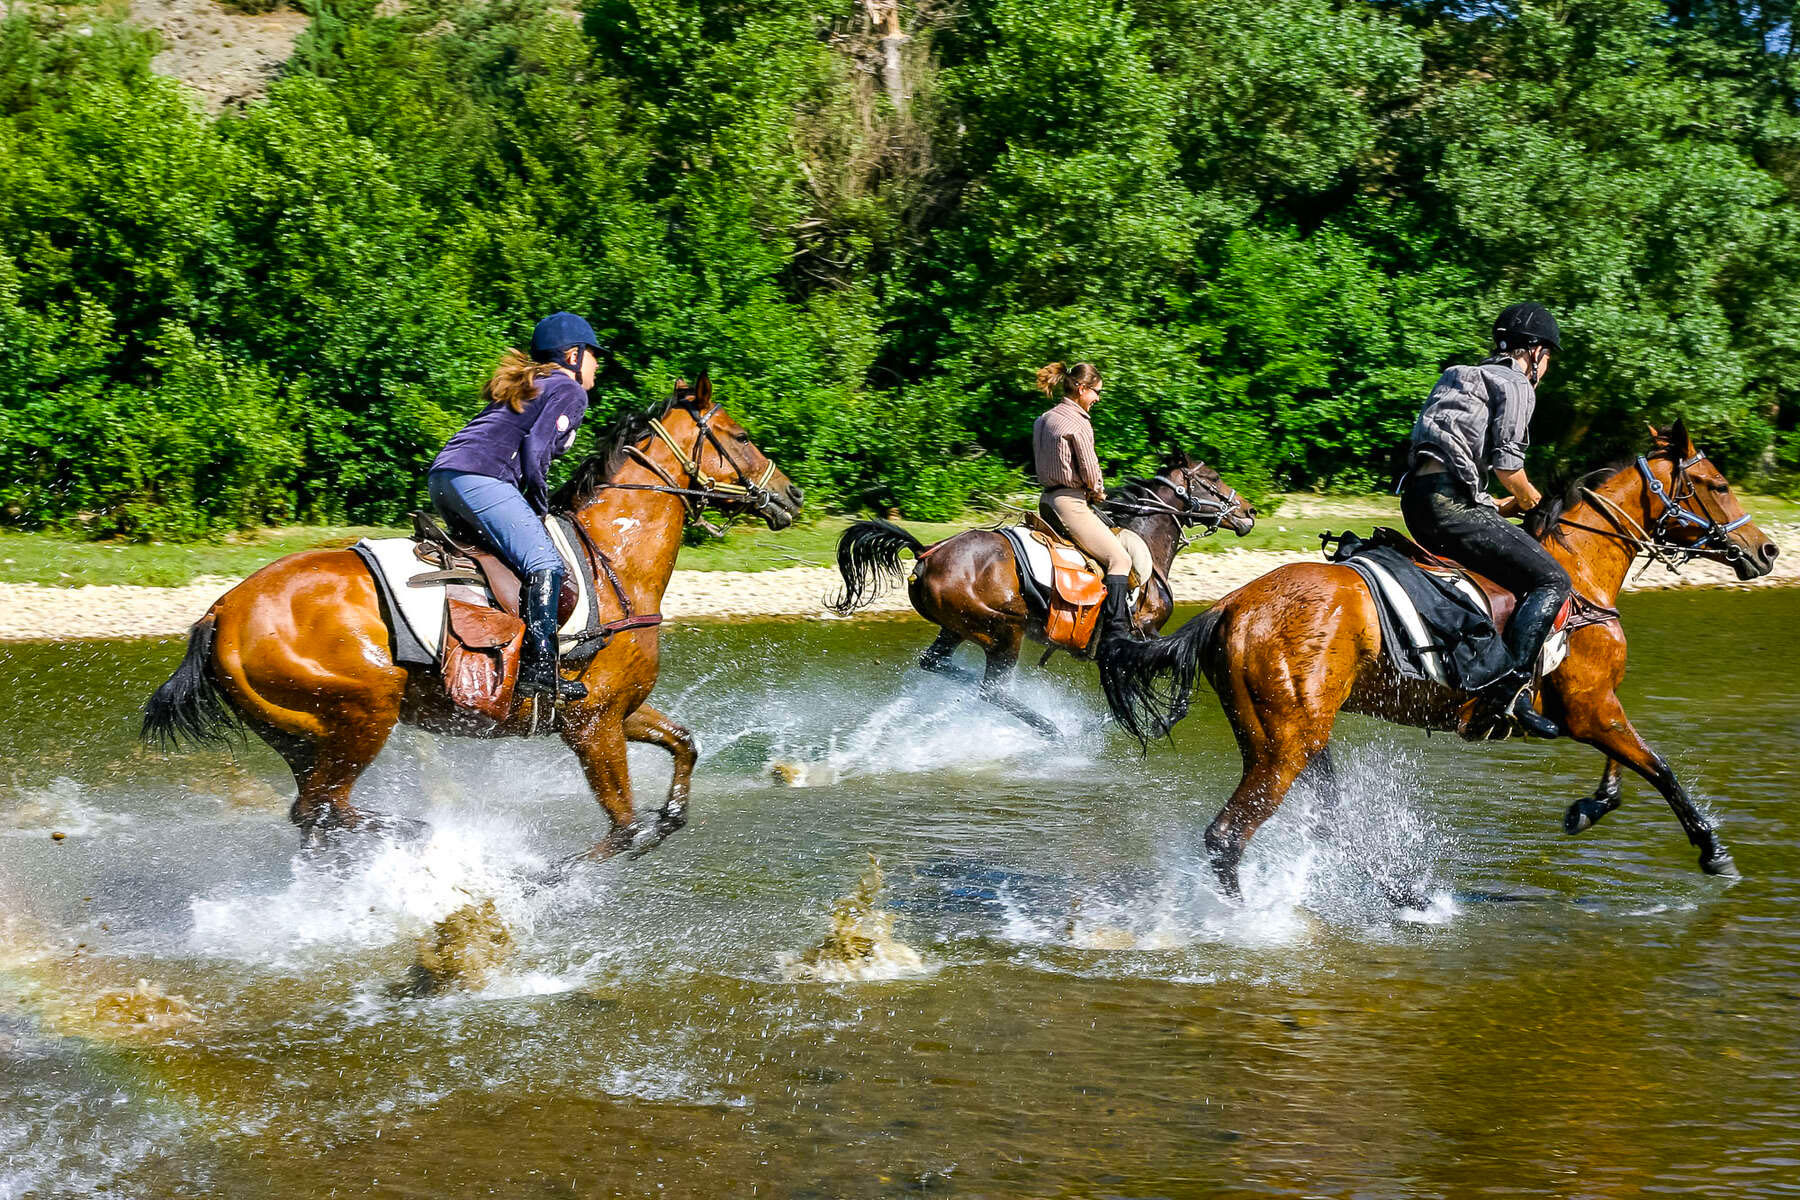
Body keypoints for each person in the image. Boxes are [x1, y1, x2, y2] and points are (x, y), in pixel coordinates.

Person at [1401, 302, 1572, 739]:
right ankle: (1507, 694)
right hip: (1449, 507)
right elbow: (1508, 468)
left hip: (1418, 503)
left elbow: (1450, 466)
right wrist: (1533, 502)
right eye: (1548, 356)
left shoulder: (1459, 374)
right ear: (1533, 352)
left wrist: (1496, 506)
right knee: (1552, 580)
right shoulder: (1516, 384)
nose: (1546, 366)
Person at [427, 312, 601, 704]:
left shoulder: (536, 382)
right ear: (573, 355)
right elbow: (536, 449)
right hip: (482, 477)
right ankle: (540, 669)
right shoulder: (571, 390)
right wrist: (539, 507)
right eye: (593, 355)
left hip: (445, 476)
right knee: (545, 561)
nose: (597, 365)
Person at [1032, 361, 1140, 647]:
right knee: (1121, 559)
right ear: (1081, 389)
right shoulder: (1077, 422)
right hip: (1071, 504)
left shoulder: (1044, 418)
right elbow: (1091, 472)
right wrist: (1098, 492)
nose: (1097, 399)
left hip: (1046, 500)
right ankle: (1117, 631)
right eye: (1096, 392)